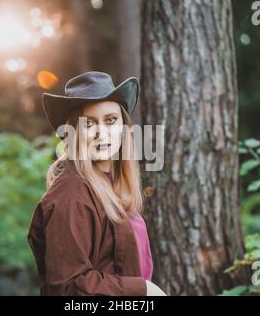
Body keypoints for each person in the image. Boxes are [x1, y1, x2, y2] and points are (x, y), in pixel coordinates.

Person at [27, 71, 167, 296]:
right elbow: (67, 287)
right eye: (89, 123)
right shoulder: (70, 195)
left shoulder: (111, 184)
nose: (102, 133)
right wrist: (142, 290)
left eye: (111, 120)